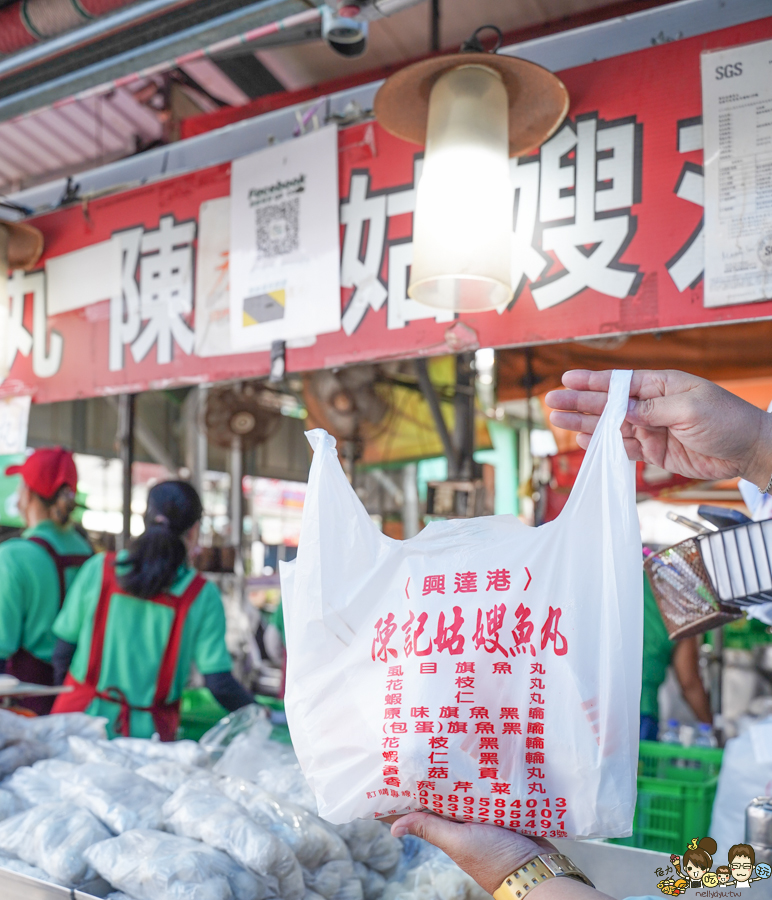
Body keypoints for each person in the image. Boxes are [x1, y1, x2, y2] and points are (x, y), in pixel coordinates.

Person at [389, 369, 772, 900]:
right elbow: (687, 679)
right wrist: (755, 446)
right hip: (625, 723)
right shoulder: (664, 593)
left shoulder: (588, 583)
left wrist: (516, 871)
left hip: (560, 720)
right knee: (606, 812)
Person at [51, 480, 254, 739]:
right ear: (193, 531)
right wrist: (257, 712)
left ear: (144, 519)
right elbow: (219, 683)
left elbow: (62, 652)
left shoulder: (100, 569)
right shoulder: (201, 595)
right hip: (147, 741)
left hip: (76, 726)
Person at [0, 447, 92, 714]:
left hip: (23, 706)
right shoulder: (87, 555)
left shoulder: (13, 557)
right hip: (76, 701)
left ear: (27, 495)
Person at [640, 574, 712, 741]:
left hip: (589, 705)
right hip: (641, 711)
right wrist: (710, 730)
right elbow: (689, 682)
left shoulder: (602, 578)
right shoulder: (675, 601)